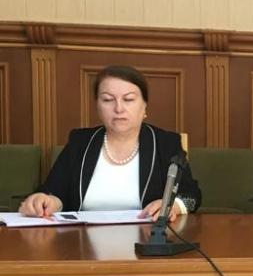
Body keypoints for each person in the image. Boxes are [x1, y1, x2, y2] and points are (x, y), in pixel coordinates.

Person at [19, 65, 201, 222]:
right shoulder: (80, 141)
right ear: (97, 106)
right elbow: (54, 192)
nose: (119, 108)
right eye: (108, 99)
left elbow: (192, 196)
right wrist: (45, 201)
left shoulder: (166, 143)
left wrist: (174, 205)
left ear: (145, 106)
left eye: (128, 99)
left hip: (147, 240)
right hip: (81, 242)